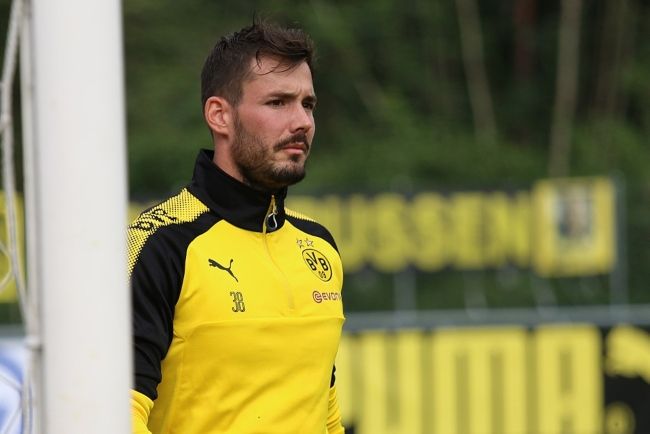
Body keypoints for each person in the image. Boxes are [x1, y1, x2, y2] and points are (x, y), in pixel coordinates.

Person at [128, 19, 345, 434]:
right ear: (219, 115)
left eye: (308, 104)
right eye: (278, 102)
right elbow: (115, 411)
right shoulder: (161, 244)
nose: (301, 121)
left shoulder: (320, 245)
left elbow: (326, 413)